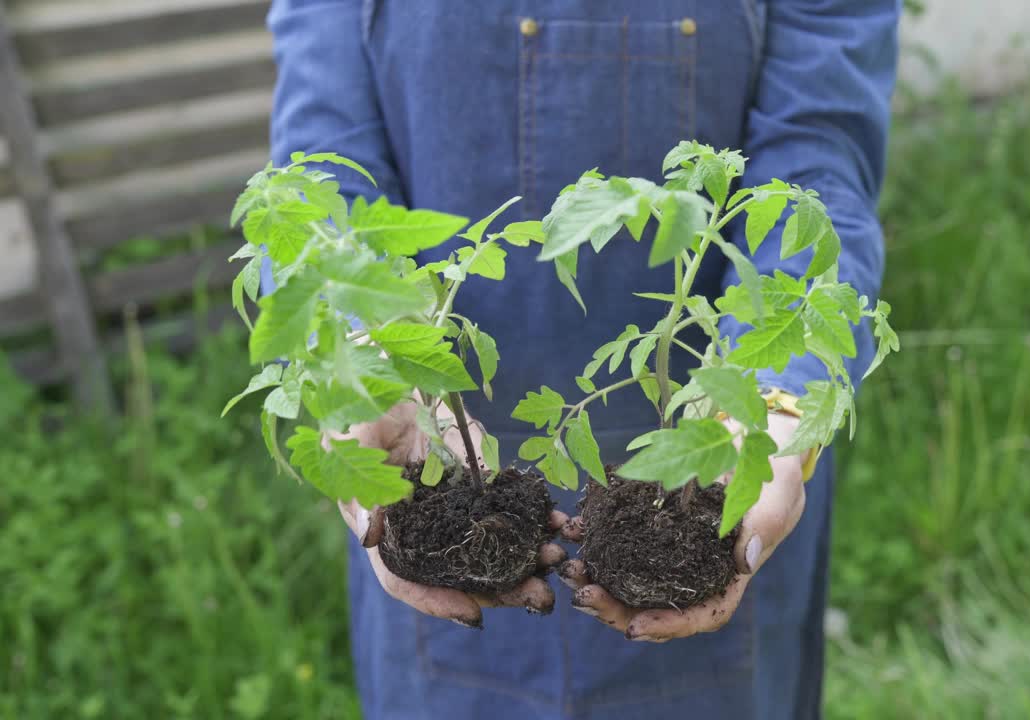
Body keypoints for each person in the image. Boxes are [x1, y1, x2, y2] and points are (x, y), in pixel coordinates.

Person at [266, 1, 898, 718]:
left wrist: (777, 395)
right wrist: (363, 357)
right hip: (423, 447)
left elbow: (819, 166)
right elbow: (318, 177)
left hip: (726, 471)